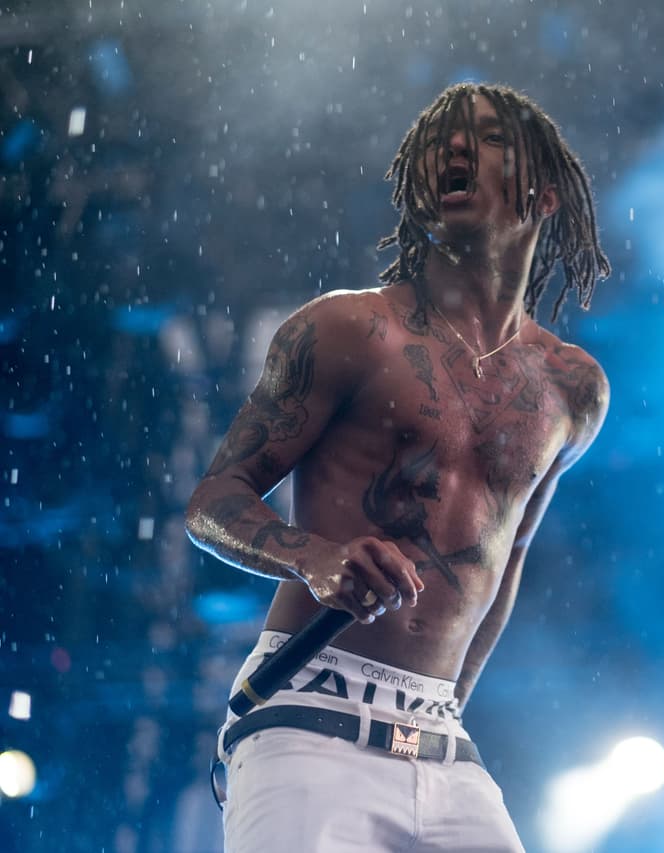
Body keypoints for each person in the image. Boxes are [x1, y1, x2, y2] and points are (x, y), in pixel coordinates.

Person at [185, 81, 611, 852]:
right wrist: (317, 558)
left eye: (485, 138)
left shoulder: (571, 388)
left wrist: (445, 702)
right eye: (437, 143)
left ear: (545, 193)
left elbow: (504, 560)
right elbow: (213, 499)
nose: (453, 148)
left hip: (442, 743)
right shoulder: (348, 329)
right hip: (307, 716)